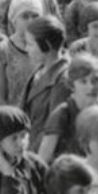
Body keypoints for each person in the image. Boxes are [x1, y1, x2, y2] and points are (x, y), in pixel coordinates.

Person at [38, 54, 98, 163]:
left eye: (95, 80)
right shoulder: (63, 113)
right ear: (72, 84)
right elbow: (43, 159)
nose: (91, 87)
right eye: (83, 82)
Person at [22, 16, 72, 151]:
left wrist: (30, 153)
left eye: (30, 44)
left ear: (47, 45)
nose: (27, 48)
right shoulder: (40, 69)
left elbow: (53, 128)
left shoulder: (62, 80)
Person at [0, 0, 45, 107]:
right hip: (14, 118)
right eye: (25, 16)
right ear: (14, 20)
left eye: (35, 16)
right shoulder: (2, 50)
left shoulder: (46, 46)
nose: (31, 21)